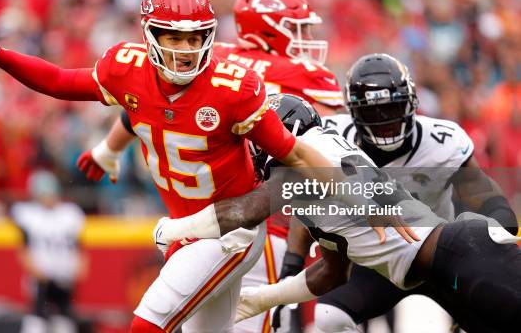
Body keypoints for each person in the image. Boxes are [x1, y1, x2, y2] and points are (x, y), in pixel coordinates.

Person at [0, 0, 361, 332]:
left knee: (147, 323)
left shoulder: (234, 88)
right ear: (150, 34)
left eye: (195, 38)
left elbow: (297, 154)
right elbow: (63, 81)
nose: (185, 49)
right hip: (186, 227)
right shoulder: (126, 69)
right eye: (174, 37)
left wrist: (370, 200)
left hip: (228, 231)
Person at [76, 0, 344, 332]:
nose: (306, 38)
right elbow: (328, 143)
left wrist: (107, 150)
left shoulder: (205, 54)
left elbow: (140, 109)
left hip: (211, 216)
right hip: (270, 222)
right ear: (267, 31)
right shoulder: (302, 76)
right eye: (297, 29)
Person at [153, 93, 521, 333]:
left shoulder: (307, 156)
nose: (255, 149)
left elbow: (244, 211)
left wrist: (174, 229)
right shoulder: (315, 170)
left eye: (260, 136)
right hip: (446, 266)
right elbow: (333, 272)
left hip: (463, 256)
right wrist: (264, 298)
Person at [287, 53, 519, 333]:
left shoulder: (442, 141)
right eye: (373, 111)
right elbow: (307, 204)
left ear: (411, 104)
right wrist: (292, 262)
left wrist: (499, 236)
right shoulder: (332, 138)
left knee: (490, 316)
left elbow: (484, 195)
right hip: (376, 265)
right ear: (354, 112)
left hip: (442, 260)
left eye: (393, 108)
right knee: (328, 317)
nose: (385, 120)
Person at [12, 170, 87, 333]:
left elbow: (79, 246)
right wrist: (35, 271)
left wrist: (80, 267)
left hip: (64, 277)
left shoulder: (69, 213)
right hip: (41, 279)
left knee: (64, 322)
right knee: (36, 321)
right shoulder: (28, 214)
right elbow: (23, 248)